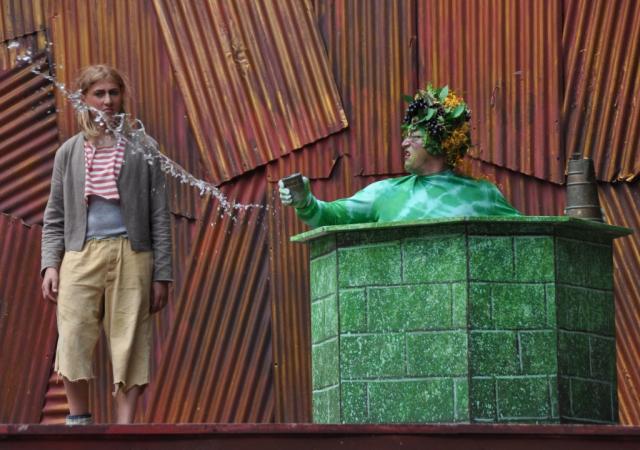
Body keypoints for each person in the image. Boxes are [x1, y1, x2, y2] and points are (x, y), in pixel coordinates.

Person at [40, 65, 172, 425]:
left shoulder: (143, 148)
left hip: (133, 253)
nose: (107, 100)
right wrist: (51, 264)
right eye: (98, 93)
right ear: (83, 98)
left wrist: (162, 274)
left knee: (130, 339)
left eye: (113, 92)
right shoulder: (69, 152)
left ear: (122, 96)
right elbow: (55, 214)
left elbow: (159, 215)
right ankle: (78, 420)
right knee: (73, 334)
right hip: (80, 253)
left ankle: (125, 429)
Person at [279, 84, 520, 226]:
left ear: (440, 142)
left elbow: (529, 238)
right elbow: (330, 217)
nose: (404, 143)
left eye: (414, 136)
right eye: (406, 135)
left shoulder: (483, 195)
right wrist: (305, 202)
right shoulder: (385, 193)